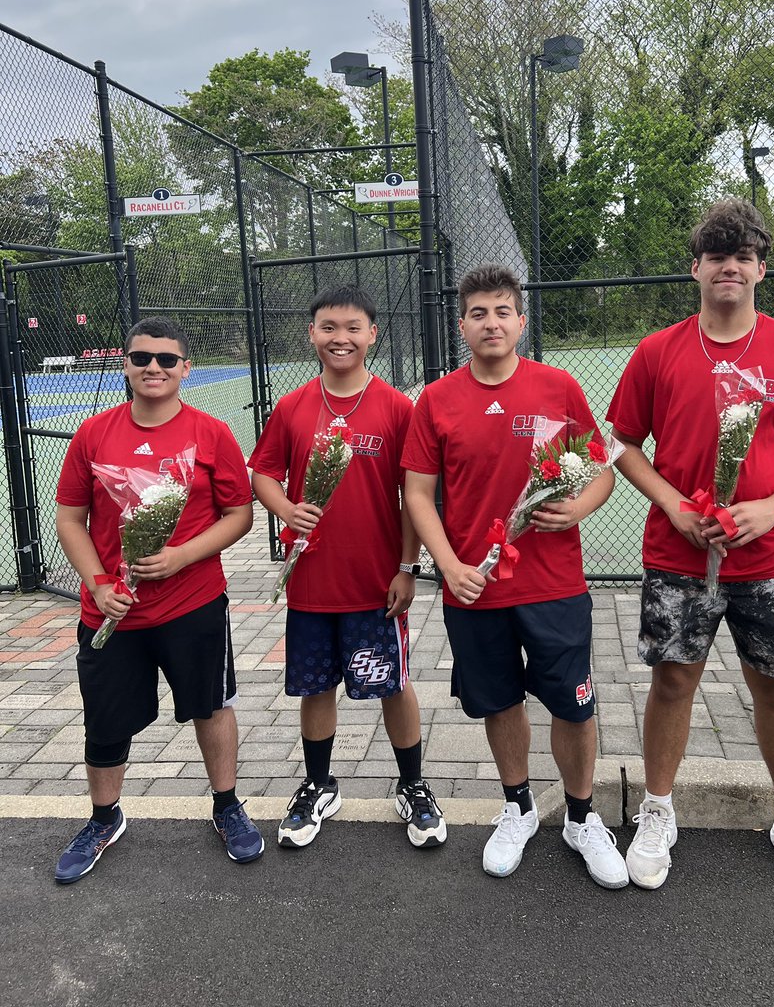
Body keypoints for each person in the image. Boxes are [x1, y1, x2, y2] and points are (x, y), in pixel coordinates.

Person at [607, 197, 774, 901]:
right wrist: (676, 505)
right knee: (673, 681)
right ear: (696, 268)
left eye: (742, 255)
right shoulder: (658, 351)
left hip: (772, 560)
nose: (729, 266)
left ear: (761, 270)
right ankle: (657, 811)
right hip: (679, 558)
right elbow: (620, 444)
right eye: (717, 255)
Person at [403, 263, 626, 888]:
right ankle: (518, 806)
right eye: (478, 313)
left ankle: (582, 817)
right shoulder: (437, 401)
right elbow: (418, 494)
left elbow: (602, 468)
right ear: (462, 325)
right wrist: (449, 567)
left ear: (521, 322)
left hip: (554, 585)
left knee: (573, 707)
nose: (491, 323)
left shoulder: (558, 387)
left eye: (502, 311)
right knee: (498, 701)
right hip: (474, 589)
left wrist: (577, 508)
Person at [54, 316, 262, 885]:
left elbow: (239, 515)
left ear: (185, 369)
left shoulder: (212, 433)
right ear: (125, 364)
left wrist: (181, 556)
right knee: (106, 718)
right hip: (111, 612)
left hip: (193, 604)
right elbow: (71, 518)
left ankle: (226, 806)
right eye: (142, 357)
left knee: (211, 705)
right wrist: (97, 581)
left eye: (167, 360)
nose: (154, 368)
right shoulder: (93, 434)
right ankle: (104, 818)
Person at [249, 285, 446, 850]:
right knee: (317, 687)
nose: (341, 338)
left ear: (372, 335)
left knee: (393, 684)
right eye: (329, 327)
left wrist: (407, 566)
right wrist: (285, 508)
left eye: (353, 327)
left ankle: (413, 786)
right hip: (312, 580)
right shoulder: (292, 407)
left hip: (376, 582)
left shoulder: (396, 408)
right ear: (312, 334)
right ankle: (317, 784)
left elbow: (415, 496)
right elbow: (262, 471)